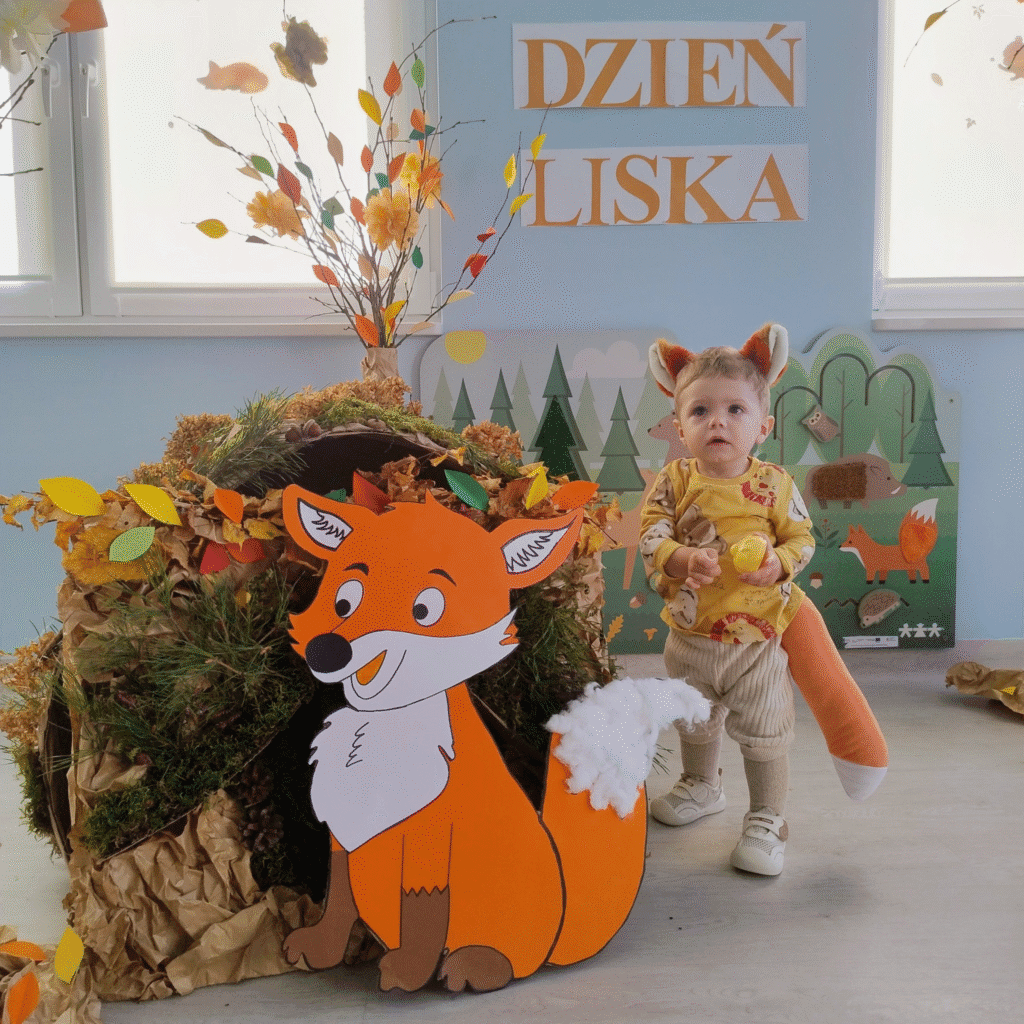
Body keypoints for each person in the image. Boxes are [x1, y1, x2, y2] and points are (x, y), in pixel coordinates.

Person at [639, 323, 814, 876]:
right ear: (679, 428)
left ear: (763, 426)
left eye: (736, 409)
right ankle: (702, 784)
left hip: (756, 641)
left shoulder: (776, 485)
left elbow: (802, 539)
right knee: (694, 718)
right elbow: (649, 535)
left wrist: (777, 564)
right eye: (701, 411)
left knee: (764, 733)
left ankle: (767, 818)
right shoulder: (674, 480)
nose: (718, 421)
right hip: (690, 636)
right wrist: (680, 558)